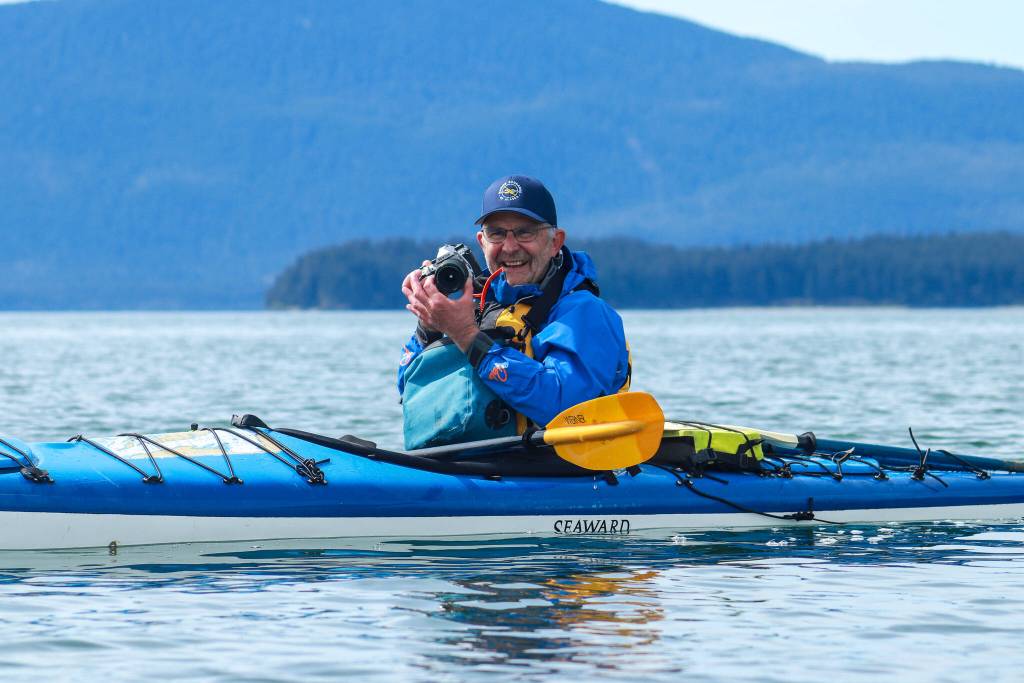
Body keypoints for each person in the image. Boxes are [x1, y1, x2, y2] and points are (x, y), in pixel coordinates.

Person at [398, 175, 630, 449]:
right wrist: (430, 328)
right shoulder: (472, 303)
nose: (509, 247)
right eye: (497, 233)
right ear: (482, 242)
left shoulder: (586, 314)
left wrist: (468, 338)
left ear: (555, 242)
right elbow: (410, 393)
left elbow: (568, 409)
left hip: (551, 465)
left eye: (525, 232)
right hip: (466, 464)